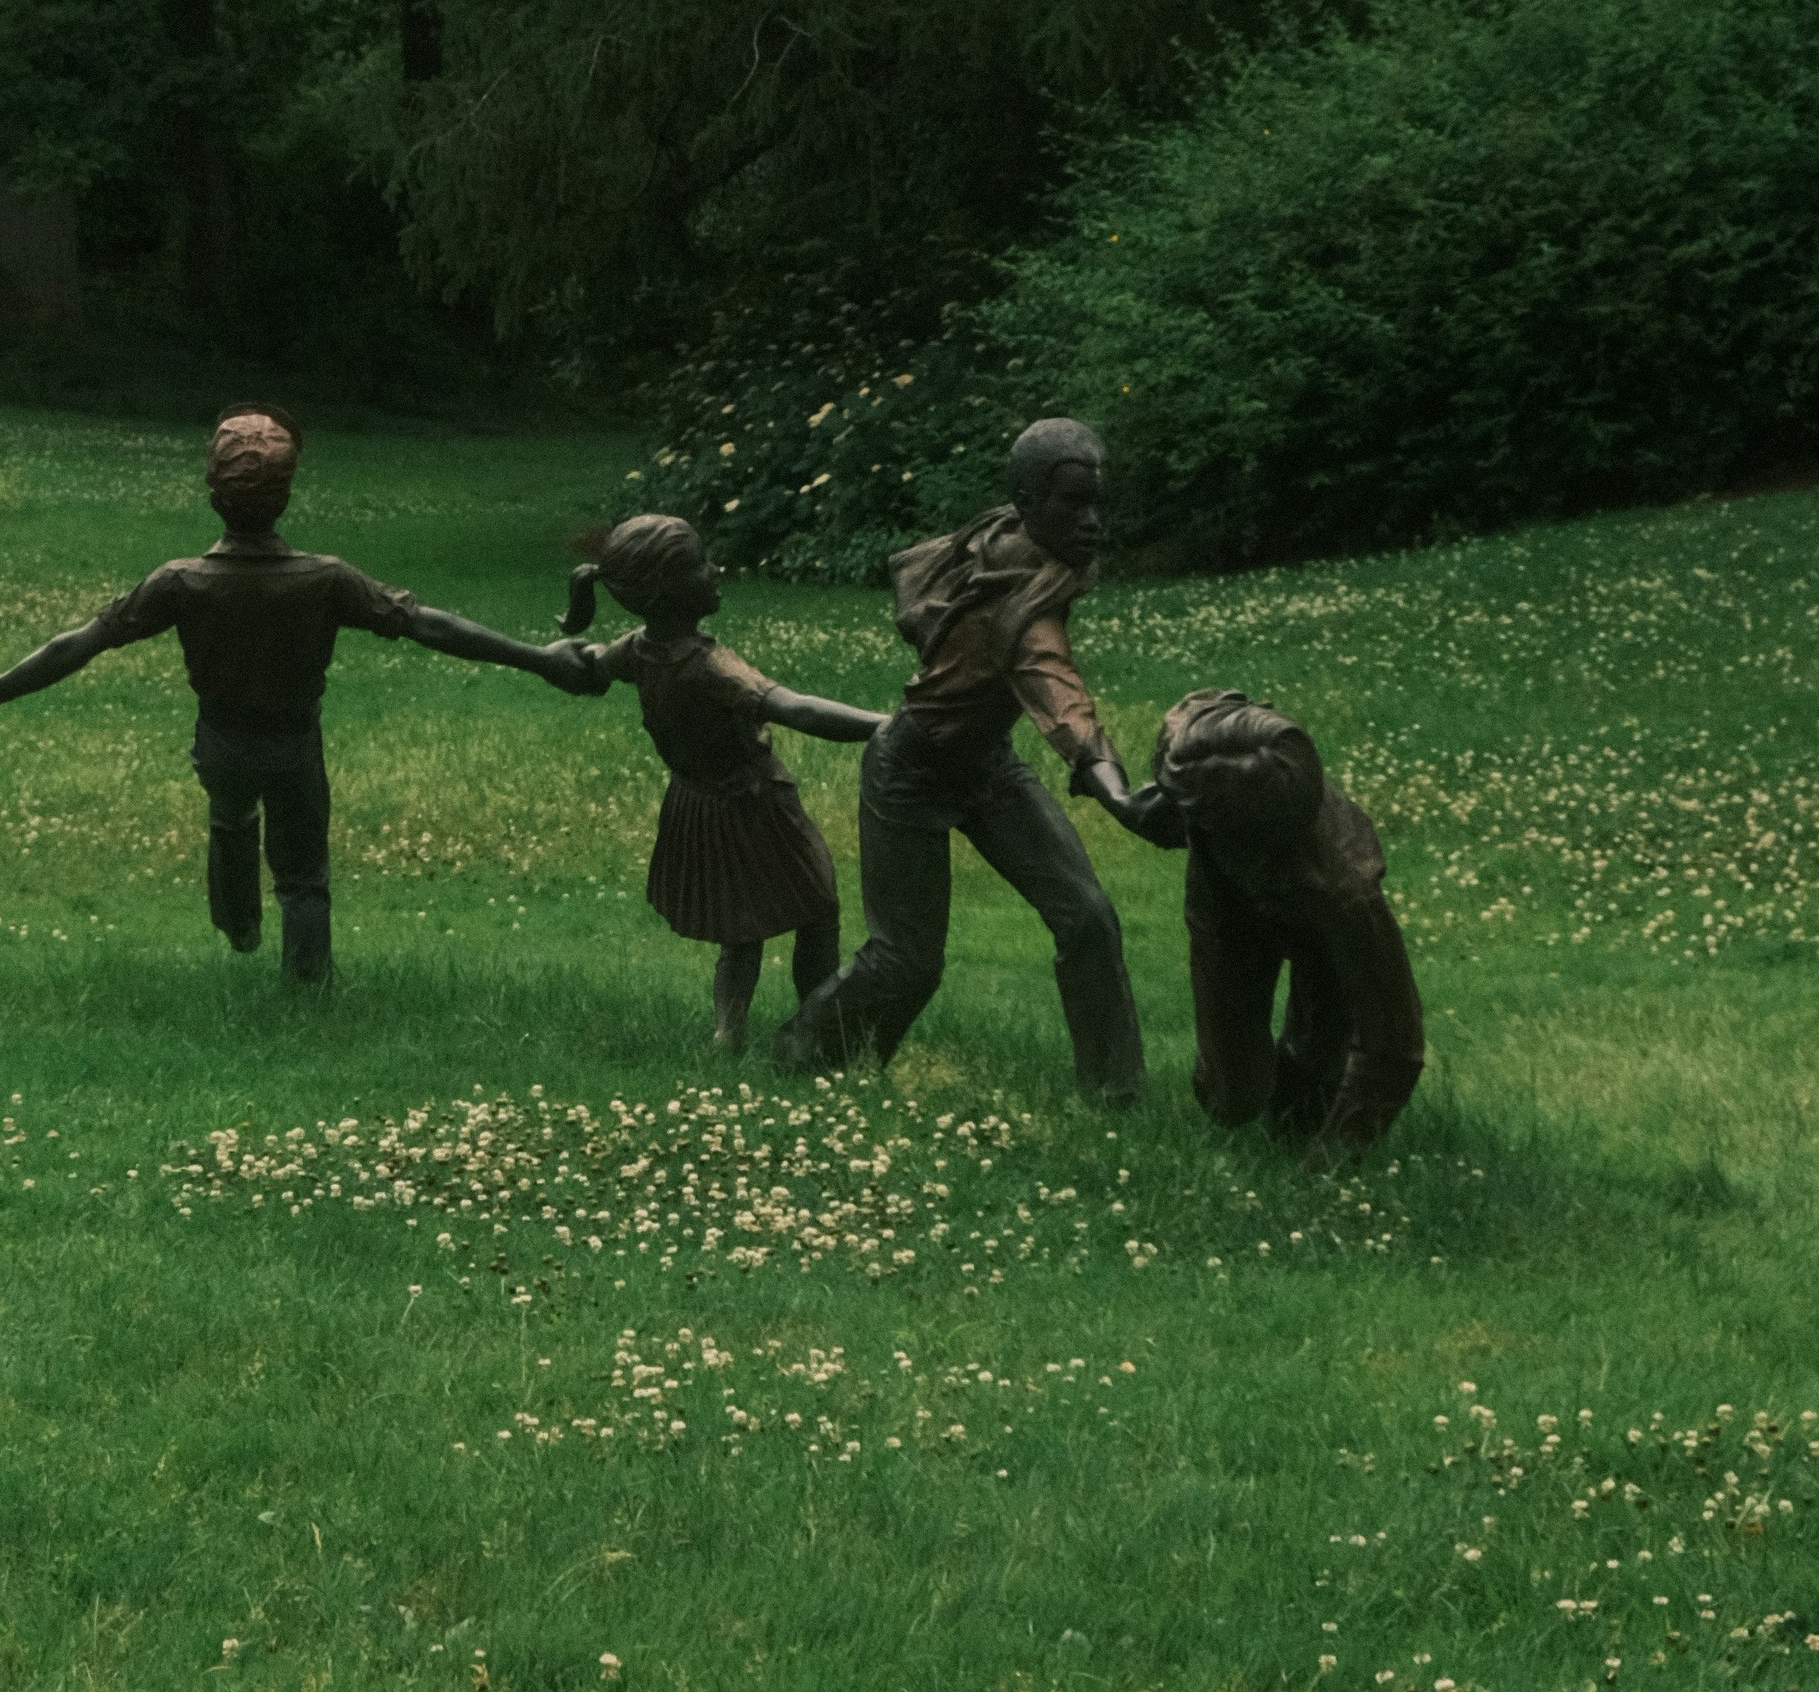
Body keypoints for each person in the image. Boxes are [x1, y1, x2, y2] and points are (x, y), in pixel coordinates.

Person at [0, 407, 591, 984]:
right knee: (304, 878)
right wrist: (537, 659)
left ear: (214, 494)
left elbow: (81, 644)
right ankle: (305, 989)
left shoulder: (181, 581)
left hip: (224, 743)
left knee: (231, 817)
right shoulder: (324, 579)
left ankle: (239, 926)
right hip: (293, 744)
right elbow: (431, 624)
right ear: (286, 495)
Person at [773, 416, 1147, 1097]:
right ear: (1029, 502)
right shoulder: (1020, 608)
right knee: (907, 961)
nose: (1091, 521)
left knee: (1087, 917)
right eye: (1073, 502)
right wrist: (1118, 795)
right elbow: (1061, 700)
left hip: (987, 766)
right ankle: (803, 1055)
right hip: (911, 768)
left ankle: (1115, 1094)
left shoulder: (1007, 537)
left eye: (1096, 501)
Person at [557, 509, 881, 1049]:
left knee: (739, 929)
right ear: (666, 593)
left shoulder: (637, 650)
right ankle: (815, 1025)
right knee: (819, 907)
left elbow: (592, 667)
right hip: (757, 805)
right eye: (701, 564)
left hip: (697, 806)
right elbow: (794, 707)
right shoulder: (711, 665)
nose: (717, 571)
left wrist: (554, 657)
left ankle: (728, 1032)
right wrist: (886, 726)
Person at [1113, 686, 1426, 1150]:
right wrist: (1105, 781)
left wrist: (1334, 1160)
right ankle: (1247, 1091)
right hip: (1226, 911)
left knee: (1309, 1086)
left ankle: (1297, 1115)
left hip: (1318, 928)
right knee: (1229, 1094)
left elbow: (1394, 1048)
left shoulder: (1345, 889)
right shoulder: (1196, 745)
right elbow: (1165, 797)